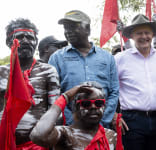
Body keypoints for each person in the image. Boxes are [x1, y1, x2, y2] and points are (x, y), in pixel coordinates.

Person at [115, 14, 156, 150]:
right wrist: (114, 115)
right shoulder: (120, 59)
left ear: (153, 34)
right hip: (131, 121)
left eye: (147, 32)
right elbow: (109, 88)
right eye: (139, 33)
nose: (144, 36)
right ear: (131, 36)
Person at [49, 10, 119, 127]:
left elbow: (114, 92)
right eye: (66, 28)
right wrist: (74, 122)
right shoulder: (56, 58)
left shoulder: (107, 58)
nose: (68, 32)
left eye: (73, 27)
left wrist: (102, 119)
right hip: (70, 129)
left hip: (102, 128)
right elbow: (55, 95)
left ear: (87, 29)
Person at [0, 18, 60, 149]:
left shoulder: (48, 71)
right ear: (8, 42)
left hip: (38, 144)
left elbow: (55, 111)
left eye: (30, 37)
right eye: (20, 37)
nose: (26, 41)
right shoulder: (1, 72)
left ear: (36, 42)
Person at [30, 82, 116, 149]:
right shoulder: (65, 134)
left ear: (104, 106)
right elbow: (38, 135)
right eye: (86, 104)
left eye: (98, 103)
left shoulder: (111, 135)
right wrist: (65, 97)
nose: (93, 107)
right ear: (76, 107)